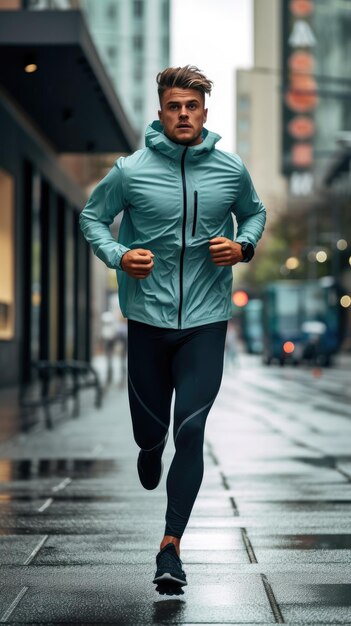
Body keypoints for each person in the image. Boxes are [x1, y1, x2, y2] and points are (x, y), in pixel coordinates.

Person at [79, 65, 266, 591]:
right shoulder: (130, 171)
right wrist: (118, 255)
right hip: (147, 321)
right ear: (161, 112)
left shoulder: (231, 170)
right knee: (151, 430)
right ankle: (147, 445)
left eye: (192, 106)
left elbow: (254, 213)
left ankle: (170, 547)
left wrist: (243, 246)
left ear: (205, 111)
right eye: (174, 106)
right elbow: (92, 217)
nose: (183, 114)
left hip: (206, 321)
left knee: (191, 429)